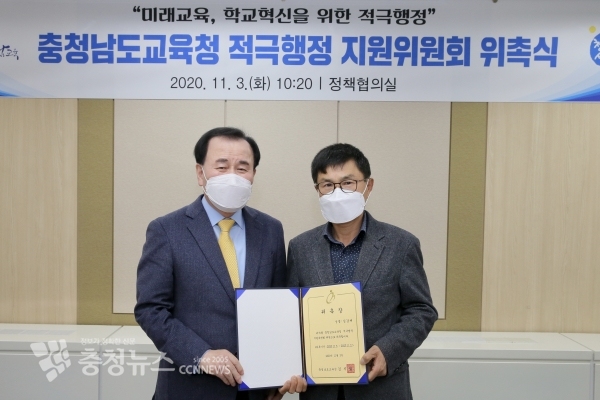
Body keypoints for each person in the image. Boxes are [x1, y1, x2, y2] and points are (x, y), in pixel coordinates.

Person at [135, 127, 305, 400]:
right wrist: (201, 355)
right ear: (200, 173)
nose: (232, 176)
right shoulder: (166, 230)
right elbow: (150, 310)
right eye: (222, 166)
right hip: (190, 389)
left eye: (242, 168)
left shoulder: (270, 230)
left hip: (255, 388)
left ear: (253, 174)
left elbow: (277, 306)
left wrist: (278, 374)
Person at [287, 143, 438, 400]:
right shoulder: (300, 248)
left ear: (368, 185)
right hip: (320, 391)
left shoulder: (401, 244)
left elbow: (421, 309)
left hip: (381, 388)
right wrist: (290, 366)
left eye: (348, 183)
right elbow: (291, 315)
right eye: (327, 184)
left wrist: (388, 350)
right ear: (317, 190)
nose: (337, 193)